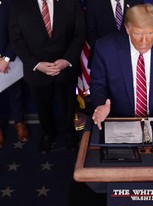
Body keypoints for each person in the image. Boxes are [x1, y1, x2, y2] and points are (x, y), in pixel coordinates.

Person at [9, 0, 86, 153]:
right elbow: (16, 40)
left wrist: (67, 60)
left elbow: (80, 33)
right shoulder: (18, 5)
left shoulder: (71, 3)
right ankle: (47, 134)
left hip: (65, 67)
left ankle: (69, 133)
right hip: (37, 70)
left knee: (68, 104)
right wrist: (37, 65)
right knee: (42, 107)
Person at [0, 0, 28, 148]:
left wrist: (6, 58)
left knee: (16, 93)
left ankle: (19, 122)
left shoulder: (10, 3)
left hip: (10, 60)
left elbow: (17, 32)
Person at [86, 0, 144, 68]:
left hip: (131, 60)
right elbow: (90, 34)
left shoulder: (137, 2)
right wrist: (108, 54)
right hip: (103, 60)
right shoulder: (94, 3)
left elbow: (141, 29)